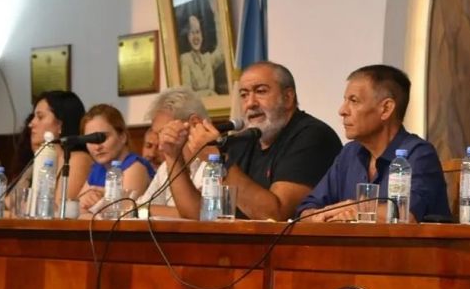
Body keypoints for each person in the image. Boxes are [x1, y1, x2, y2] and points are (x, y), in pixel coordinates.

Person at [160, 61, 342, 220]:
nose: (250, 103)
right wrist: (173, 156)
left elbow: (276, 215)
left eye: (260, 91)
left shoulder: (313, 136)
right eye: (244, 94)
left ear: (288, 98)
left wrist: (217, 159)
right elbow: (199, 212)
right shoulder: (244, 140)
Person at [297, 65, 450, 222]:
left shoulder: (418, 154)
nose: (342, 110)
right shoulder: (350, 153)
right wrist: (321, 217)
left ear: (386, 109)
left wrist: (354, 209)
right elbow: (307, 209)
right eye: (345, 100)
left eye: (354, 101)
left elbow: (406, 214)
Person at [137, 87, 210, 217]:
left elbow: (202, 214)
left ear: (194, 123)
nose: (160, 145)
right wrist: (140, 210)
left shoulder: (215, 162)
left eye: (163, 132)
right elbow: (140, 207)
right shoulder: (166, 167)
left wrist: (144, 210)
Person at [76, 104, 154, 214]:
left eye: (103, 137)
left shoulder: (135, 167)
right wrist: (85, 201)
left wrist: (89, 207)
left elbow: (119, 215)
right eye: (91, 139)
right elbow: (77, 209)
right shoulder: (97, 168)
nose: (97, 146)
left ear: (122, 137)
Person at [28, 90, 93, 202]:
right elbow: (13, 200)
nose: (31, 124)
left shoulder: (78, 159)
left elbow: (57, 211)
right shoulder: (41, 157)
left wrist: (9, 214)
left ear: (60, 125)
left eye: (40, 117)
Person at [179, 13, 224, 97]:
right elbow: (187, 94)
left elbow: (222, 50)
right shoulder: (185, 59)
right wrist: (209, 93)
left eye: (198, 32)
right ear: (187, 37)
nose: (196, 36)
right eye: (192, 33)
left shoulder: (207, 58)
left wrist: (217, 15)